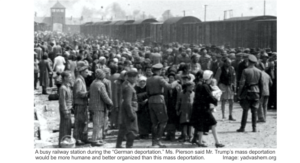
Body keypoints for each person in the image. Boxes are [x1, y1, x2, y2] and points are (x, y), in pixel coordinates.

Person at [190, 70, 225, 148]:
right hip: (204, 109)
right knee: (214, 123)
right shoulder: (205, 86)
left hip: (198, 108)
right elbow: (209, 97)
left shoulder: (200, 85)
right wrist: (216, 100)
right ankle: (217, 142)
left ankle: (199, 142)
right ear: (210, 77)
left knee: (201, 124)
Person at [146, 63, 178, 148]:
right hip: (159, 100)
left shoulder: (148, 79)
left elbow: (148, 91)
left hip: (151, 101)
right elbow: (170, 86)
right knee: (163, 121)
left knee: (154, 123)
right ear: (159, 70)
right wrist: (176, 81)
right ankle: (158, 141)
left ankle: (153, 142)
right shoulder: (160, 78)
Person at [237, 55, 263, 132]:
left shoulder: (245, 71)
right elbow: (261, 84)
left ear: (248, 61)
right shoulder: (259, 71)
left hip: (247, 92)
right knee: (254, 111)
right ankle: (254, 128)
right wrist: (260, 94)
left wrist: (239, 94)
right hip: (256, 92)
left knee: (245, 110)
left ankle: (242, 127)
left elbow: (242, 83)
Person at [89, 69, 113, 146]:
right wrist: (110, 102)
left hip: (93, 106)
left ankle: (98, 139)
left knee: (96, 123)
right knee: (98, 124)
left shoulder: (93, 83)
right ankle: (95, 140)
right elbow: (105, 96)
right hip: (99, 106)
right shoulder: (100, 85)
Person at [116, 70, 139, 148]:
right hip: (130, 110)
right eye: (136, 77)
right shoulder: (129, 87)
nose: (136, 79)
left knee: (123, 128)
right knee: (133, 130)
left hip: (125, 110)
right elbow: (128, 103)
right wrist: (131, 114)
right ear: (132, 78)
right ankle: (129, 146)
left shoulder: (126, 84)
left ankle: (118, 144)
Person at [73, 61, 90, 145]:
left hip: (83, 103)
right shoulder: (79, 81)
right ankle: (77, 139)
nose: (87, 73)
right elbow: (78, 93)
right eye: (86, 72)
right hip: (79, 104)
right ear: (82, 72)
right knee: (79, 122)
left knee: (84, 122)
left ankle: (83, 138)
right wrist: (87, 93)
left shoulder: (82, 79)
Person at [164, 72, 181, 141]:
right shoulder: (166, 86)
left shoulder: (178, 86)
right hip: (168, 105)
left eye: (172, 78)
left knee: (174, 119)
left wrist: (177, 105)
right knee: (168, 119)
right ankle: (168, 134)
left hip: (175, 104)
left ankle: (172, 135)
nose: (171, 79)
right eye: (170, 77)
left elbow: (179, 96)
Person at [58, 71, 73, 148]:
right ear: (65, 78)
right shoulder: (63, 88)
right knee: (64, 126)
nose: (71, 78)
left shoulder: (68, 86)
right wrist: (65, 111)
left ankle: (66, 141)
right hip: (65, 109)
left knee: (68, 126)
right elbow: (62, 100)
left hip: (68, 108)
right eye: (69, 77)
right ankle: (62, 142)